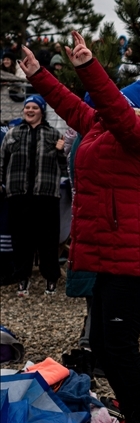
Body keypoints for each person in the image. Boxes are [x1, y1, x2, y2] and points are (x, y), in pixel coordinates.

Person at [20, 32, 140, 423]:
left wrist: (89, 66)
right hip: (114, 254)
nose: (112, 107)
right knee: (109, 351)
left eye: (120, 103)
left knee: (119, 348)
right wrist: (38, 74)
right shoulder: (105, 126)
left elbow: (109, 106)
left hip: (138, 256)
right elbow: (75, 106)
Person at [0, 93, 65, 295]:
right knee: (21, 239)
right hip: (18, 194)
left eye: (34, 108)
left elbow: (64, 168)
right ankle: (22, 278)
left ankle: (51, 278)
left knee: (48, 239)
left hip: (46, 194)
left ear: (42, 111)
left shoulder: (54, 135)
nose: (30, 110)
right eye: (27, 107)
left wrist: (61, 152)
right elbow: (2, 161)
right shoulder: (12, 134)